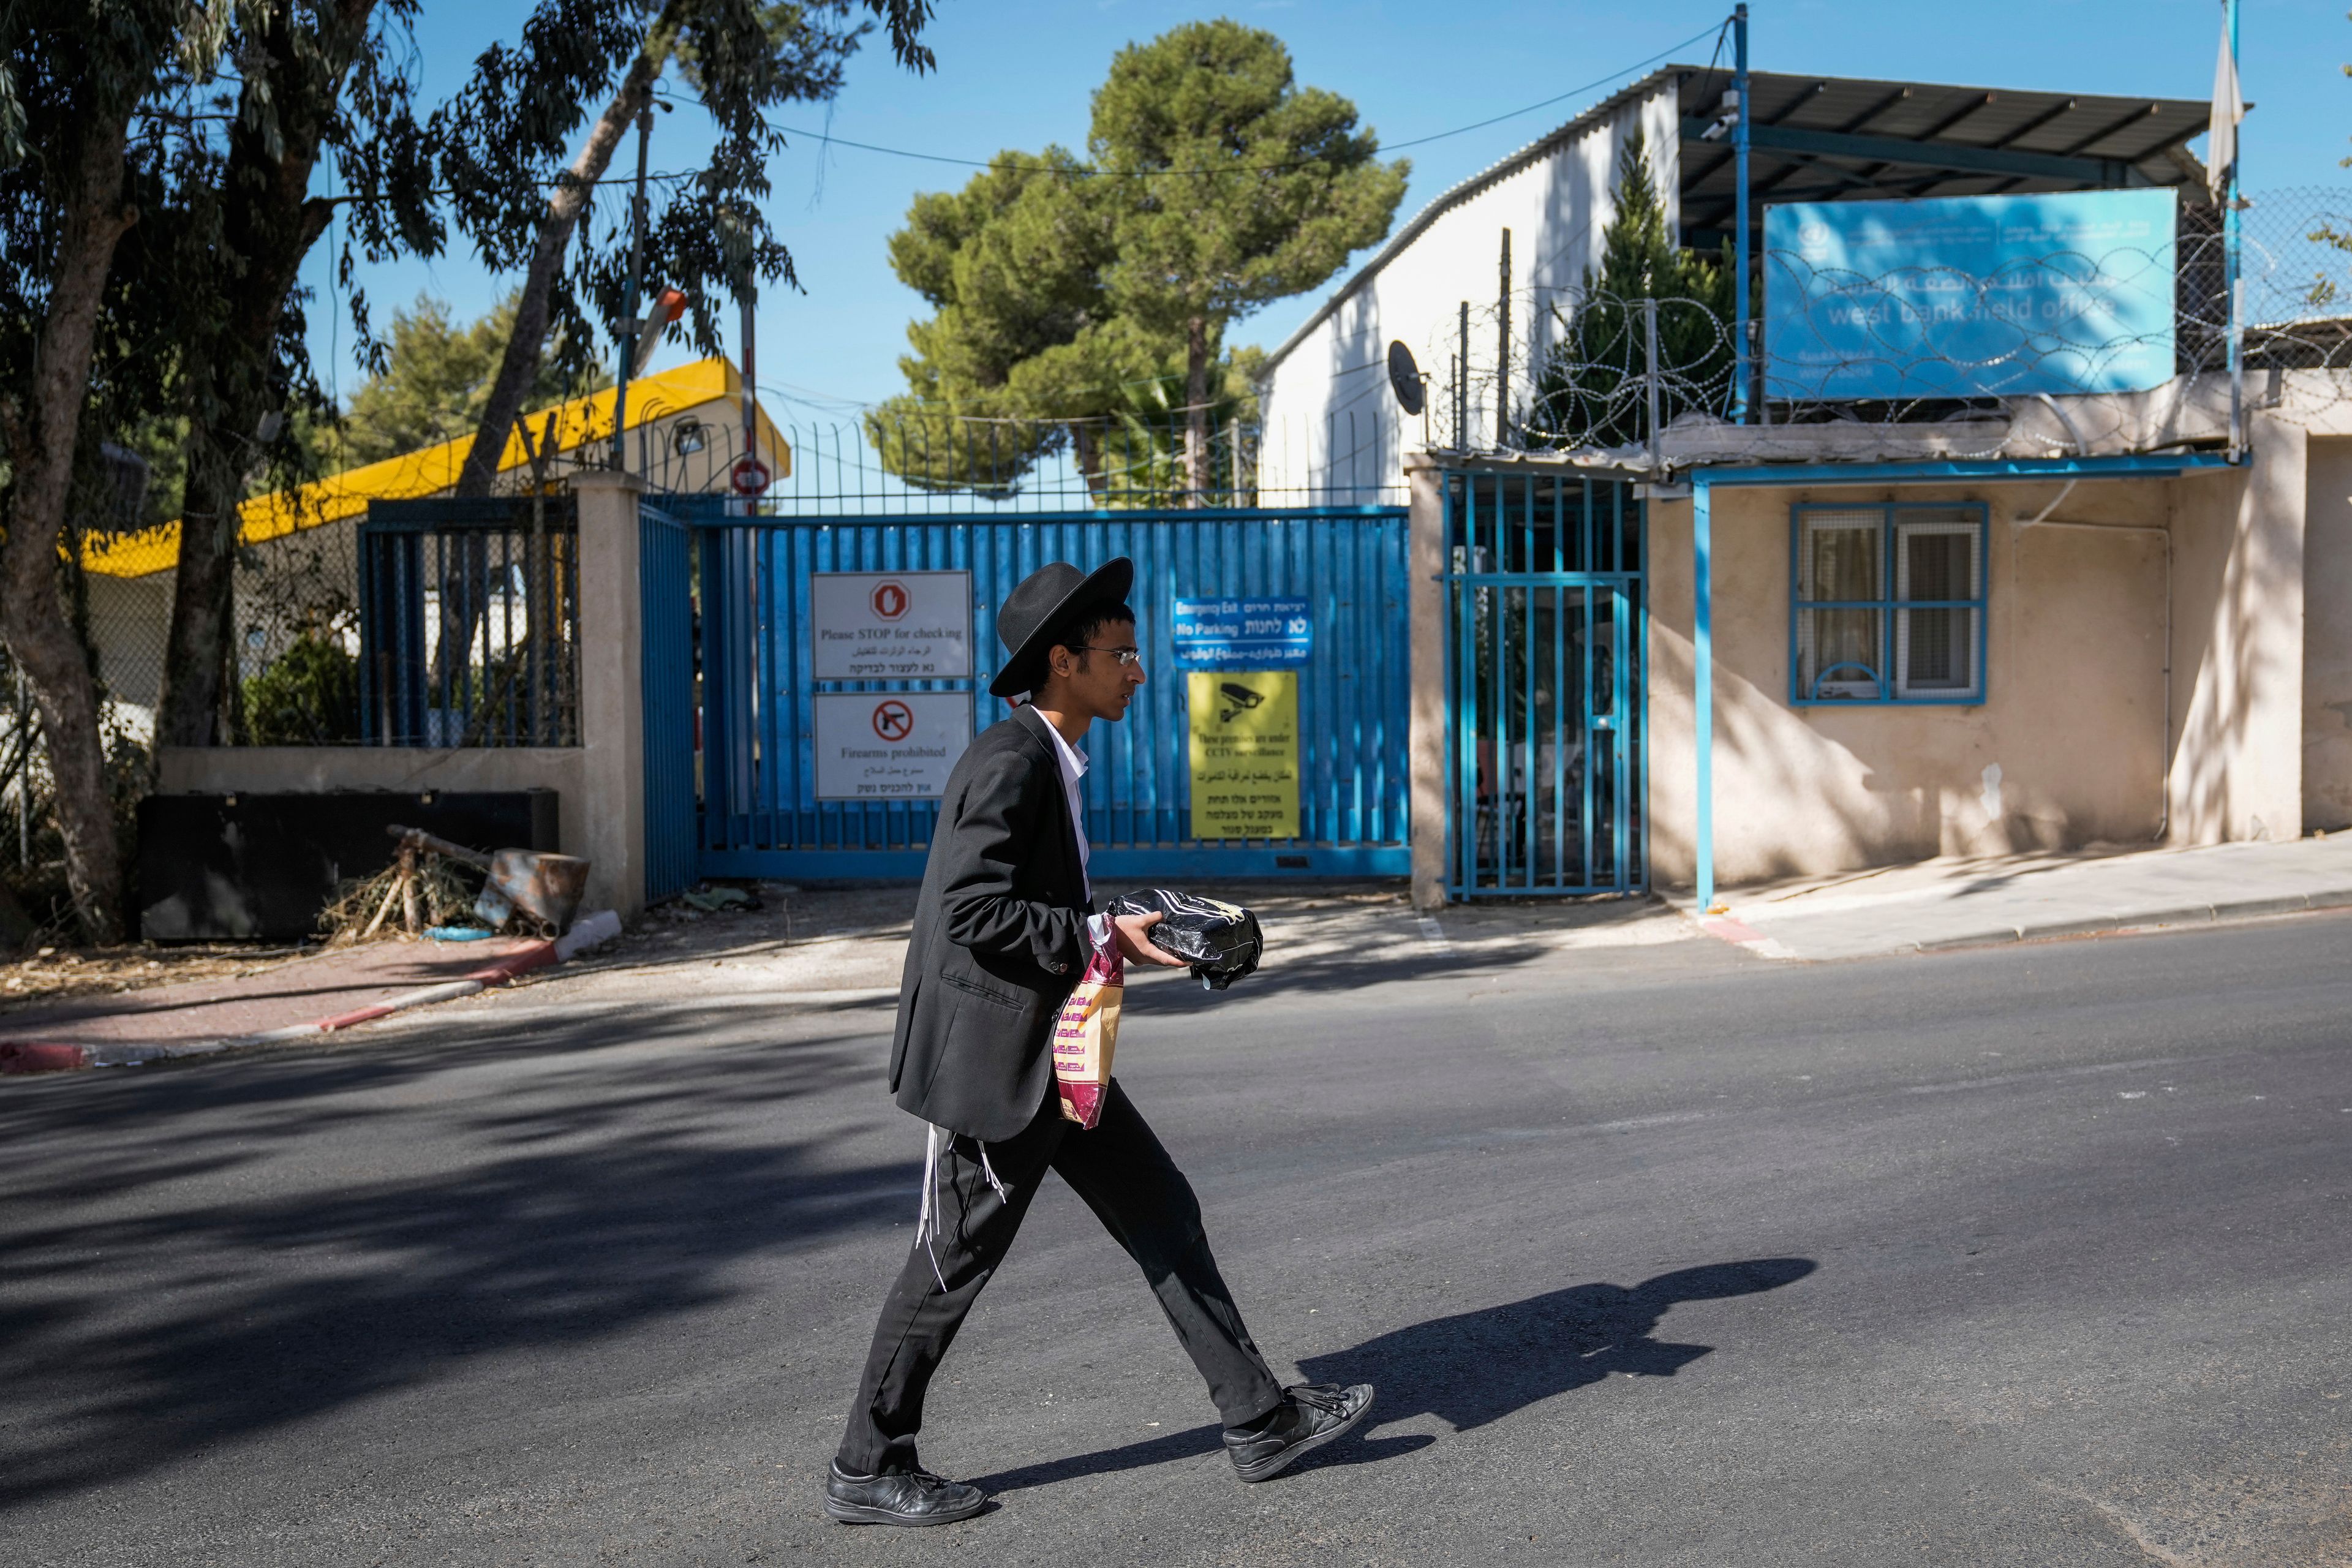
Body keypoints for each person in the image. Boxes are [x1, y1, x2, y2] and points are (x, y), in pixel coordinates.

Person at [824, 557, 1373, 1527]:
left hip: (1057, 1049)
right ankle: (868, 1462)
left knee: (1161, 1208)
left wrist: (1134, 923)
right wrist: (1093, 932)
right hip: (997, 1063)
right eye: (1120, 655)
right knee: (953, 1260)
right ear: (1063, 662)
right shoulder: (1011, 760)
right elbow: (970, 911)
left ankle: (1259, 1419)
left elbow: (1046, 910)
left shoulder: (1052, 760)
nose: (1138, 671)